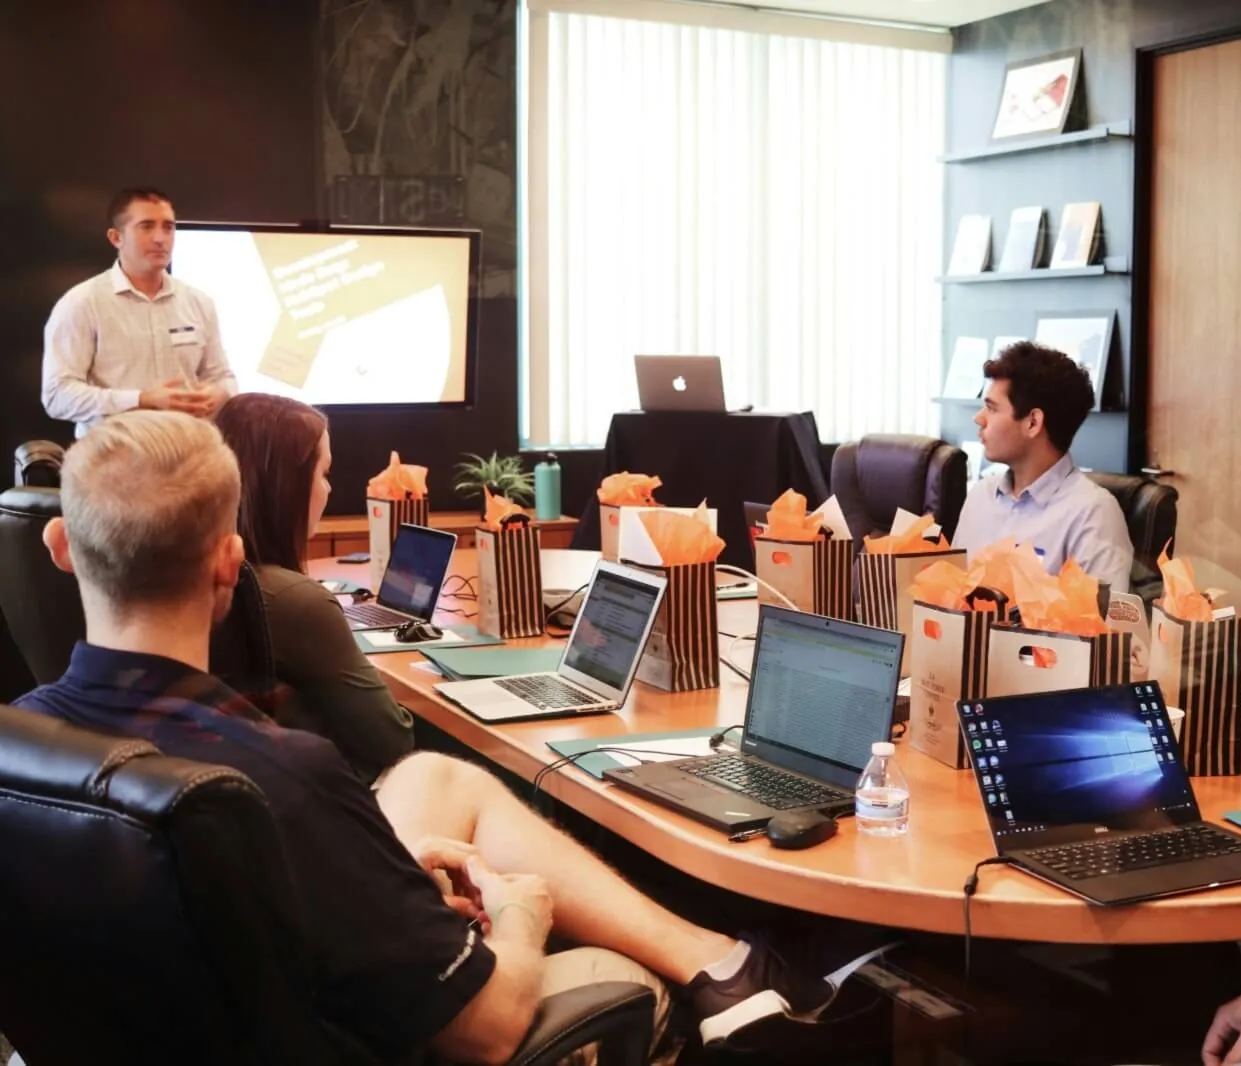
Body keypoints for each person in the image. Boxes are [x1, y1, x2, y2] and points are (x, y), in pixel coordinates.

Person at [15, 410, 837, 1063]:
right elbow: (482, 1031)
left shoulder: (25, 743)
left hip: (160, 1024)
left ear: (59, 547)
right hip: (372, 1036)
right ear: (228, 562)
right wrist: (521, 912)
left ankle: (722, 959)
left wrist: (381, 877)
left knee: (437, 778)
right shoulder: (281, 777)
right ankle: (724, 976)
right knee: (621, 982)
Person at [214, 393, 413, 784]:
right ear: (286, 486)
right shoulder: (296, 600)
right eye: (323, 473)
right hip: (327, 803)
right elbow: (393, 740)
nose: (329, 490)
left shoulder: (197, 578)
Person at [41, 186, 236, 437]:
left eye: (168, 227)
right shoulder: (82, 303)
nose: (160, 238)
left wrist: (220, 392)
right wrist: (141, 399)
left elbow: (223, 377)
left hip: (190, 454)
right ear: (116, 237)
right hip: (114, 458)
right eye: (146, 226)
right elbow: (57, 396)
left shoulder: (199, 302)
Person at [952, 341, 1134, 594]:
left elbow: (1101, 628)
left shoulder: (1093, 513)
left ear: (1032, 423)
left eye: (992, 408)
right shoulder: (980, 496)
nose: (979, 418)